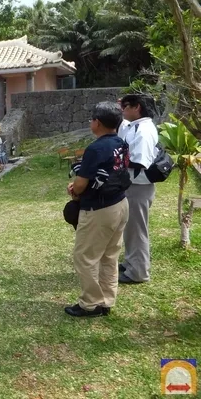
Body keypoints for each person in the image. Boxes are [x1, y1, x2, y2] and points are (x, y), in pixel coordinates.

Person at [65, 101, 129, 317]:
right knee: (109, 256)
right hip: (120, 203)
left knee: (85, 256)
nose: (90, 122)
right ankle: (106, 300)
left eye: (92, 118)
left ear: (98, 123)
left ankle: (90, 304)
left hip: (100, 210)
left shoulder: (95, 148)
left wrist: (74, 188)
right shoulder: (120, 142)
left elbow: (81, 184)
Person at [118, 94, 159, 284]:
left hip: (138, 186)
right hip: (134, 185)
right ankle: (131, 263)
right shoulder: (135, 126)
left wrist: (116, 161)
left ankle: (139, 273)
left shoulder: (143, 130)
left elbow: (140, 162)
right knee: (131, 228)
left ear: (137, 107)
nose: (123, 109)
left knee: (137, 230)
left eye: (126, 106)